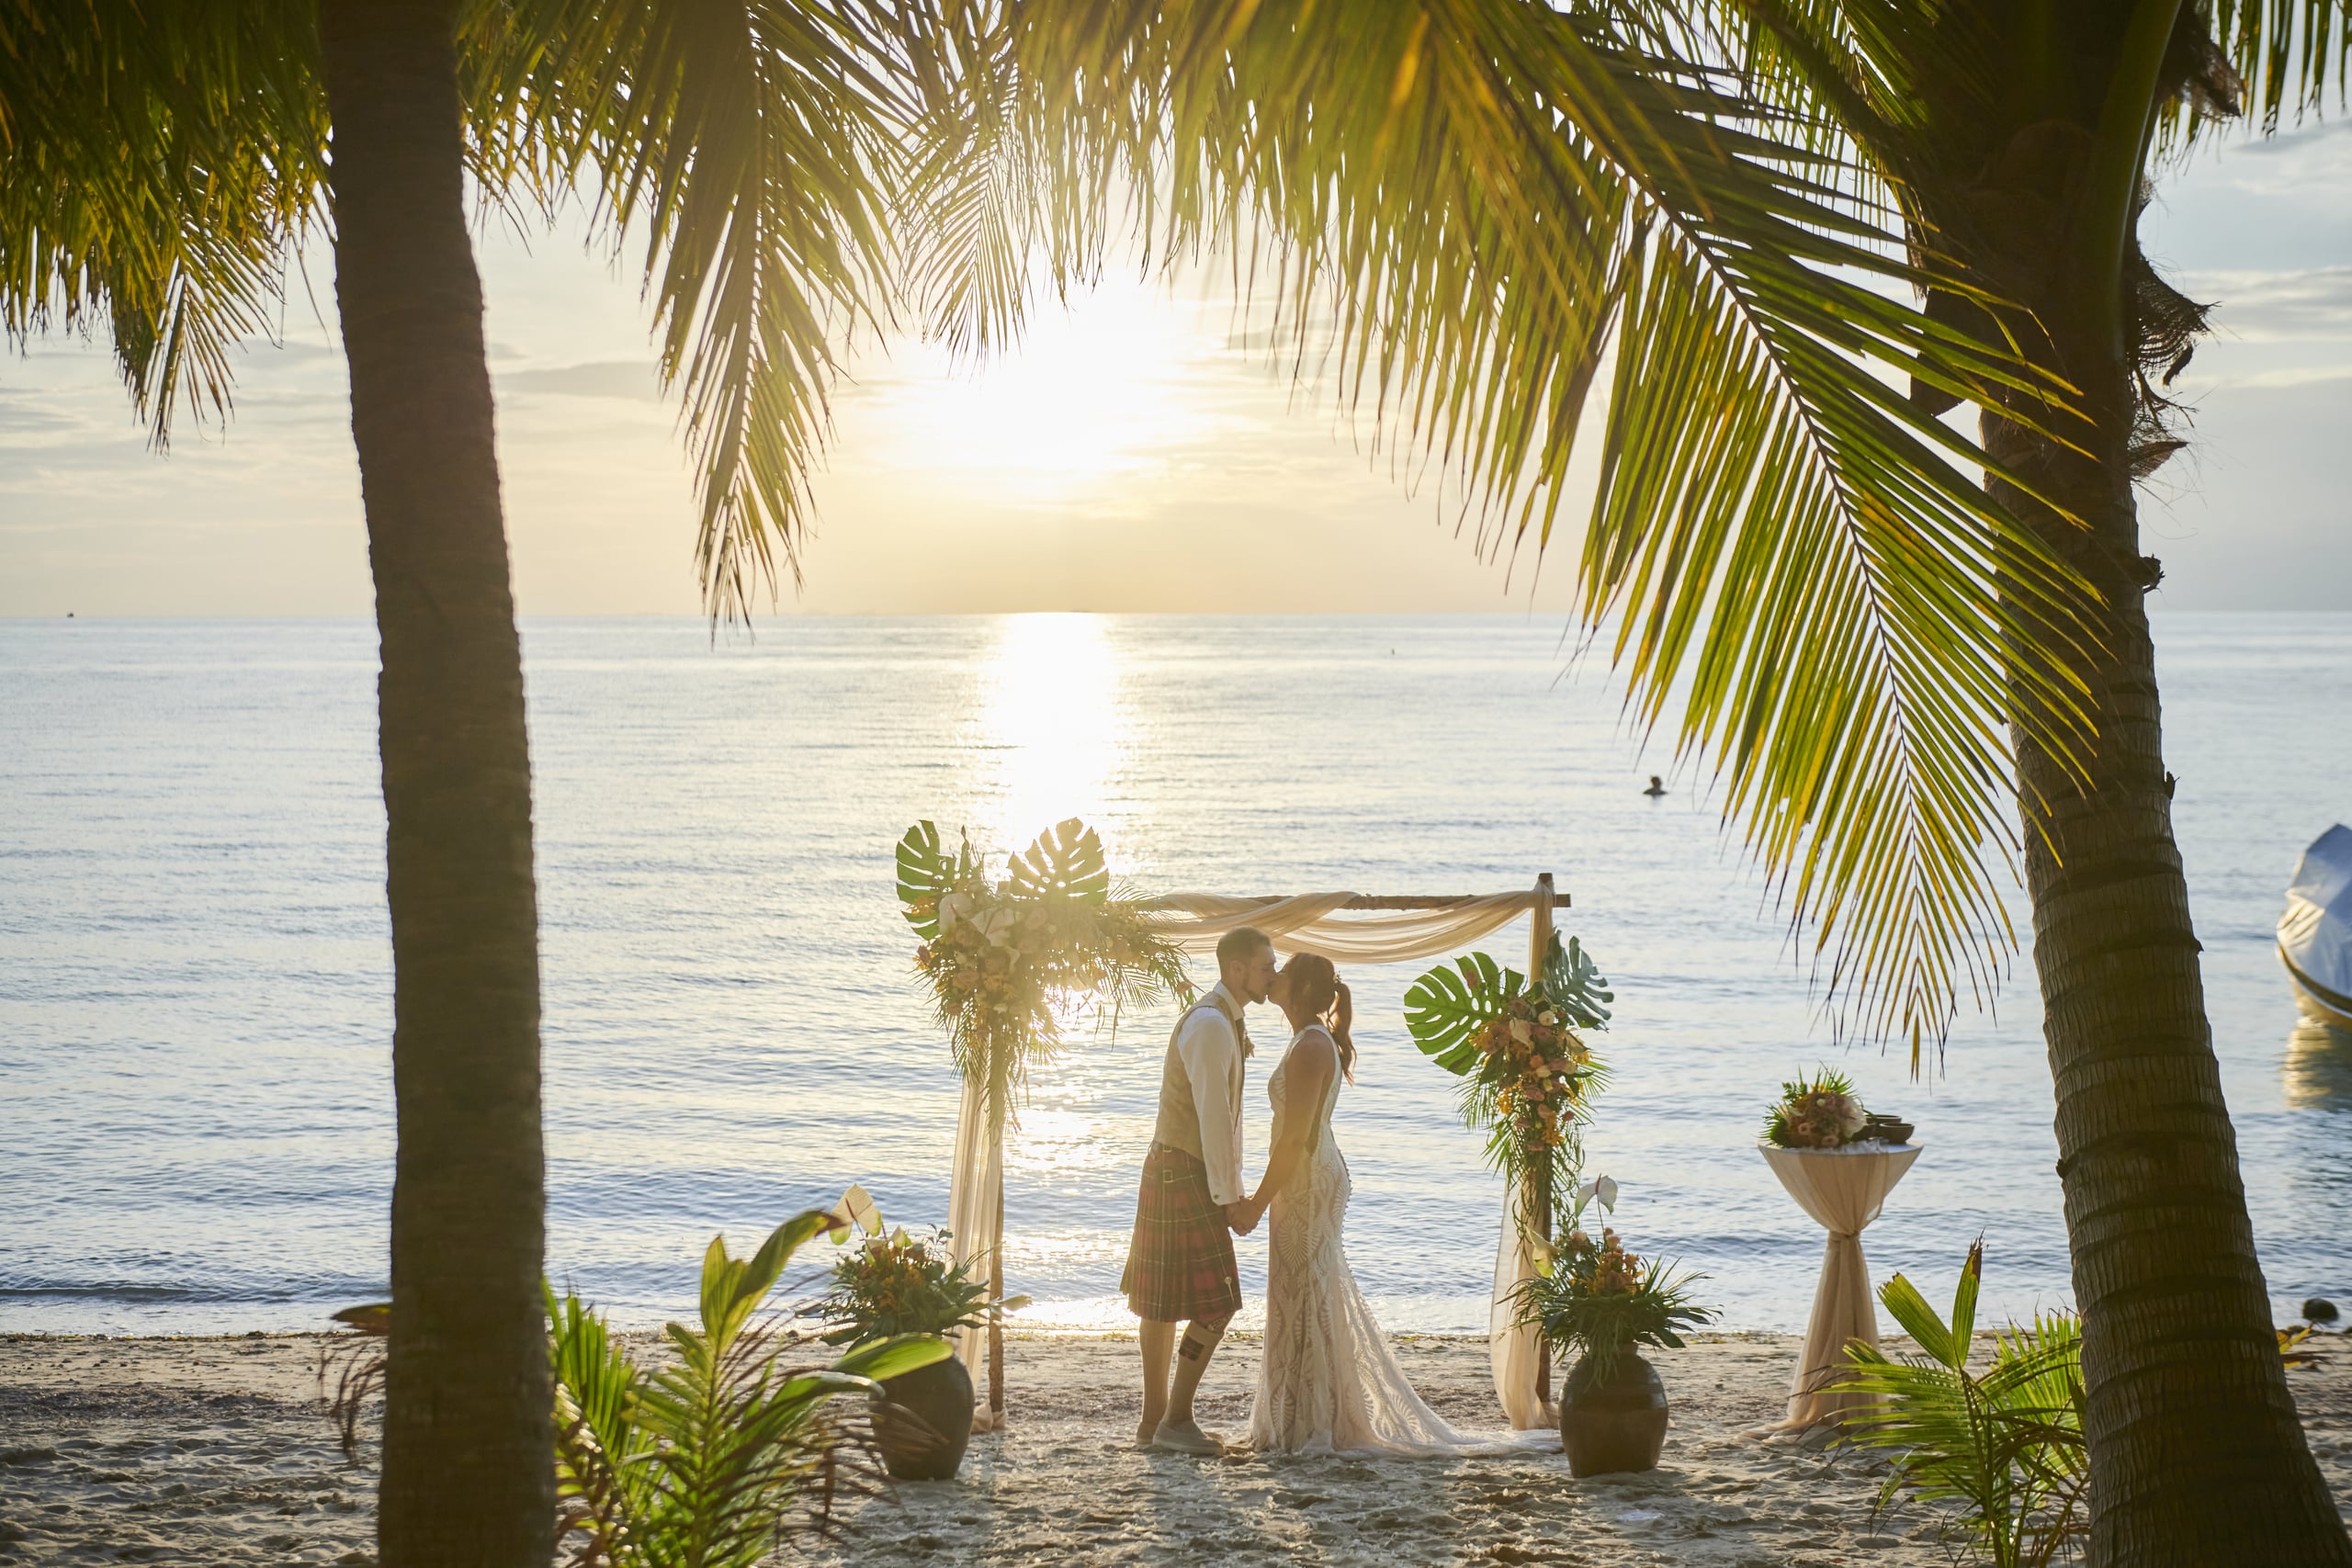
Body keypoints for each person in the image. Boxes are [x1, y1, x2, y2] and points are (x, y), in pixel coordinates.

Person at [1241, 953, 1544, 1455]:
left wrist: (1255, 1202)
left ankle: (1311, 1424)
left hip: (1306, 1179)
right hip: (1309, 1175)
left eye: (1282, 971)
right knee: (1302, 1294)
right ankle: (1302, 1417)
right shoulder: (1306, 1039)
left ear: (1298, 988)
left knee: (1305, 1294)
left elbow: (1294, 1141)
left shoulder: (1311, 1046)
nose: (1272, 975)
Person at [1122, 925, 1277, 1453]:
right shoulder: (1212, 1024)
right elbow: (1215, 1119)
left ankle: (1153, 1424)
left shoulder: (1220, 1020)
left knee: (1162, 1304)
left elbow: (1221, 1120)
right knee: (1219, 1300)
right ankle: (1176, 1419)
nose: (1271, 975)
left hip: (1173, 1166)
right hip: (1183, 1168)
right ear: (1236, 969)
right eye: (1264, 966)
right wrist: (1231, 1197)